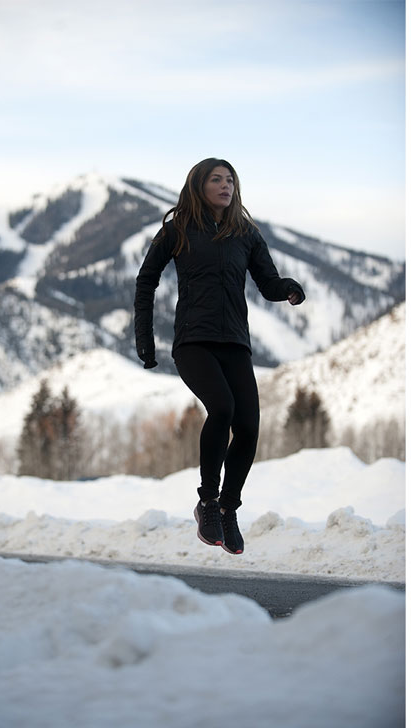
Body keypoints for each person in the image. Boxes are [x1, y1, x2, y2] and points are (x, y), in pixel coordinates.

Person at [134, 158, 305, 555]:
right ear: (199, 184)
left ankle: (228, 509)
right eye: (217, 179)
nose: (226, 185)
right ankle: (207, 502)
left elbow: (268, 283)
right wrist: (146, 339)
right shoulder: (177, 230)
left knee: (248, 426)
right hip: (193, 342)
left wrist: (289, 289)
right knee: (223, 409)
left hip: (235, 343)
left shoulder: (245, 234)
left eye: (230, 180)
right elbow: (146, 280)